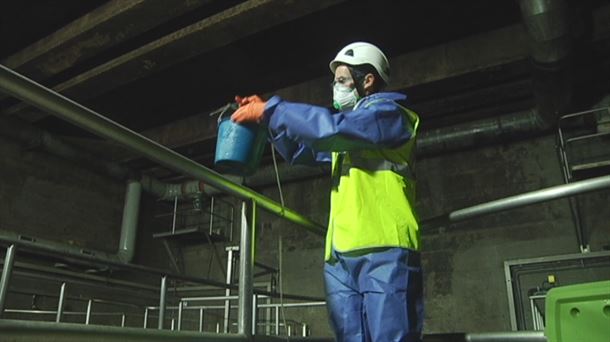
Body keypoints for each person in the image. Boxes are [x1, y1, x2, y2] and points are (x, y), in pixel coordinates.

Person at [231, 42, 423, 342]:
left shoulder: (389, 117)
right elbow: (301, 151)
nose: (336, 87)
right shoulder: (347, 133)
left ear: (368, 80)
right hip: (341, 255)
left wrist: (271, 110)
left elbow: (330, 130)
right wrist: (267, 121)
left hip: (384, 247)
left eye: (342, 80)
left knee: (391, 337)